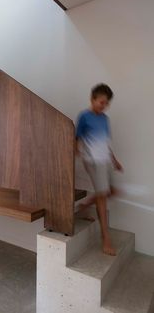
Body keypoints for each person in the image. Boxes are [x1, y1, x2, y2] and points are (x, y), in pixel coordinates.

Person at [75, 83, 123, 256]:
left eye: (106, 103)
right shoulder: (84, 117)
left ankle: (86, 204)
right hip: (92, 161)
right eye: (101, 102)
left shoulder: (105, 119)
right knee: (102, 196)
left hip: (105, 160)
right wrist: (77, 152)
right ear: (92, 99)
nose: (104, 106)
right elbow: (77, 138)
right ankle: (106, 239)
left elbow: (105, 143)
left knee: (113, 191)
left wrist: (115, 160)